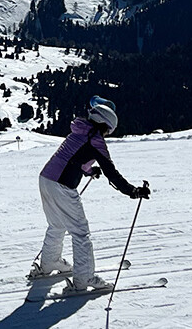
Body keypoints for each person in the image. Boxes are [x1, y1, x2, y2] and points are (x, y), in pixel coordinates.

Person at [30, 95, 150, 292]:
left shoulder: (79, 131)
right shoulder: (95, 139)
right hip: (62, 185)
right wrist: (133, 191)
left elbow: (71, 157)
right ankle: (84, 279)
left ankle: (49, 263)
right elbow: (111, 172)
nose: (106, 134)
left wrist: (88, 170)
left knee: (56, 224)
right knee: (80, 233)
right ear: (104, 124)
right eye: (107, 130)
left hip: (46, 179)